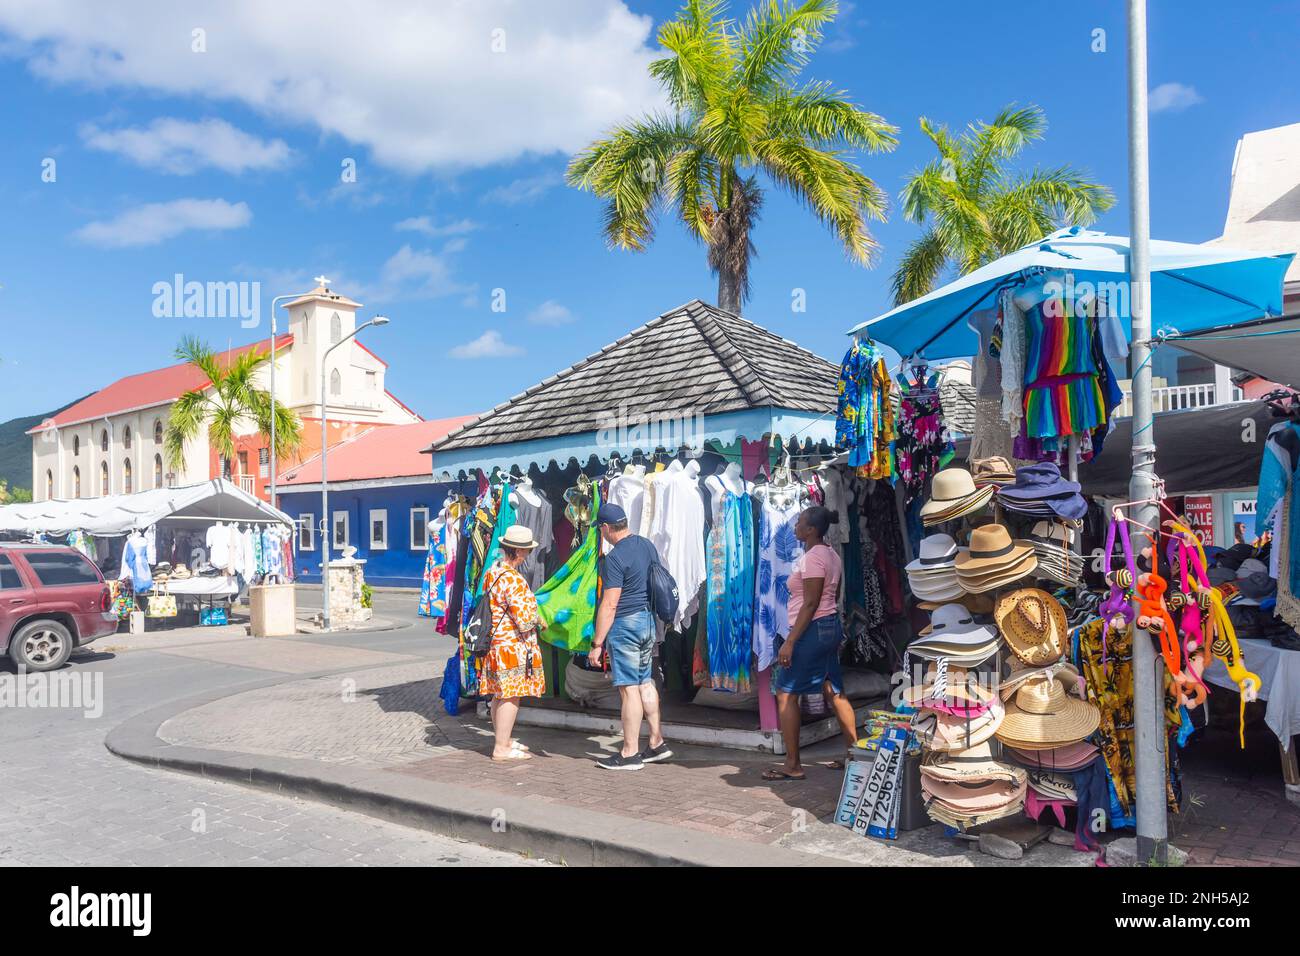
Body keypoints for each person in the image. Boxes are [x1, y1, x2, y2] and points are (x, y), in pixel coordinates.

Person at [763, 505, 858, 782]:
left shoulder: (814, 558)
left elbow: (812, 602)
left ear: (811, 531)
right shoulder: (831, 555)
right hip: (828, 627)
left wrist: (790, 641)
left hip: (812, 631)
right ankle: (854, 754)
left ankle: (792, 764)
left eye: (800, 524)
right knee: (834, 690)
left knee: (786, 694)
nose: (795, 528)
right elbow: (832, 596)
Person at [588, 502, 672, 770]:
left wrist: (596, 643)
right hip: (648, 621)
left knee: (628, 689)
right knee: (646, 682)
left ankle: (629, 753)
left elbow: (610, 604)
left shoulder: (614, 558)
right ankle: (657, 742)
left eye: (599, 529)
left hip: (625, 624)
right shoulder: (646, 544)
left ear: (605, 528)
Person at [480, 525, 547, 762]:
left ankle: (503, 740)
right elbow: (525, 620)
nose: (528, 555)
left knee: (500, 695)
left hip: (496, 643)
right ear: (518, 552)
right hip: (512, 645)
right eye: (527, 551)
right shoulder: (513, 580)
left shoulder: (493, 572)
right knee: (511, 696)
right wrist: (538, 617)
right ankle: (501, 747)